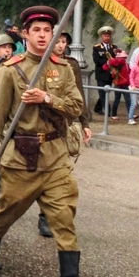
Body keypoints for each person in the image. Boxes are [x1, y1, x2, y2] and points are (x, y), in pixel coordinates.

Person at [0, 5, 93, 277]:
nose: (43, 35)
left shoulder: (64, 68)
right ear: (24, 34)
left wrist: (47, 98)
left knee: (64, 222)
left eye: (47, 30)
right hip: (21, 161)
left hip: (55, 159)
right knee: (3, 216)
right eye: (37, 30)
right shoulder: (11, 71)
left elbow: (75, 107)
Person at [37, 31, 92, 238]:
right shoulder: (38, 62)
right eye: (57, 41)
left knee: (59, 174)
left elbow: (78, 95)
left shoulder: (71, 64)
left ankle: (47, 218)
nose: (60, 46)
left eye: (64, 42)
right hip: (40, 124)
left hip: (64, 123)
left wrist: (84, 122)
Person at [92, 26, 118, 115]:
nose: (107, 38)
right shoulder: (97, 48)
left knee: (105, 91)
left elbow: (116, 59)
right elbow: (96, 60)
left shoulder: (114, 47)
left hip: (110, 74)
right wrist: (107, 62)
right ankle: (108, 111)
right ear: (101, 37)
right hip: (101, 73)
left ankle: (97, 108)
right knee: (103, 92)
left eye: (108, 36)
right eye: (105, 36)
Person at [107, 48, 131, 120]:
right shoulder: (116, 67)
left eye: (124, 58)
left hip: (125, 85)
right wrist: (114, 73)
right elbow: (113, 76)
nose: (123, 59)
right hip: (118, 85)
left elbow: (129, 73)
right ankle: (113, 114)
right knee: (117, 100)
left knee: (128, 100)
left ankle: (131, 113)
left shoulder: (127, 65)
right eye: (122, 58)